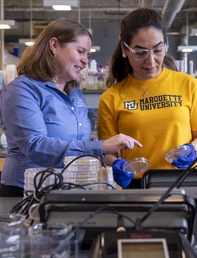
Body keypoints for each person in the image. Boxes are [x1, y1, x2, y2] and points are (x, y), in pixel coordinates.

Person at [0, 18, 142, 197]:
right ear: (54, 45)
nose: (84, 61)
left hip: (65, 190)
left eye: (88, 55)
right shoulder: (22, 90)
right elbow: (36, 146)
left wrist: (110, 162)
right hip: (25, 193)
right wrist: (100, 146)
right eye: (80, 51)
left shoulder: (74, 93)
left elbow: (76, 145)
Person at [98, 7, 197, 189]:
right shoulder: (111, 98)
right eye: (141, 52)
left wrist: (192, 150)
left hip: (184, 182)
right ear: (125, 50)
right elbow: (107, 152)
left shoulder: (188, 84)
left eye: (158, 50)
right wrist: (116, 164)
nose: (151, 61)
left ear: (165, 45)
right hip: (138, 185)